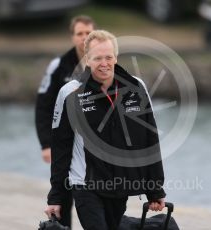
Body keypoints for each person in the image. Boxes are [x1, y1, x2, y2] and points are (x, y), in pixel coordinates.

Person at [44, 30, 166, 230]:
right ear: (87, 60)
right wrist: (56, 196)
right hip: (85, 185)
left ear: (116, 58)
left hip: (120, 187)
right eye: (97, 58)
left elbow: (149, 140)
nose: (104, 63)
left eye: (108, 57)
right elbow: (61, 148)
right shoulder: (69, 93)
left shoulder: (137, 87)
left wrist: (155, 190)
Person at [35, 15, 96, 228]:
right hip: (63, 141)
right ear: (72, 37)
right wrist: (45, 144)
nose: (84, 38)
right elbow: (42, 106)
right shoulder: (58, 66)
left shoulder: (103, 65)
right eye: (80, 33)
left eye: (88, 33)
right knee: (63, 195)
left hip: (92, 146)